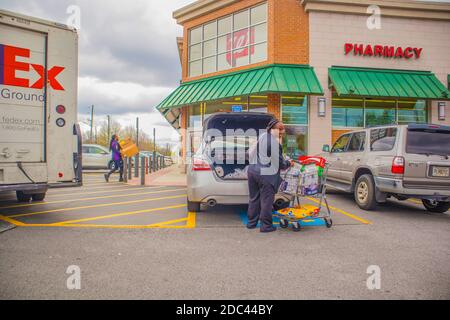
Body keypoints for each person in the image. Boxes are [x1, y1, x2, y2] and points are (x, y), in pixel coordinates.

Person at [247, 119, 292, 233]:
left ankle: (251, 223)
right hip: (266, 175)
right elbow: (281, 164)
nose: (283, 131)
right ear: (273, 129)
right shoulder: (274, 143)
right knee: (266, 201)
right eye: (280, 129)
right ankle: (266, 226)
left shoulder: (262, 137)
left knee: (254, 199)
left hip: (252, 171)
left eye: (283, 129)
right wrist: (289, 163)